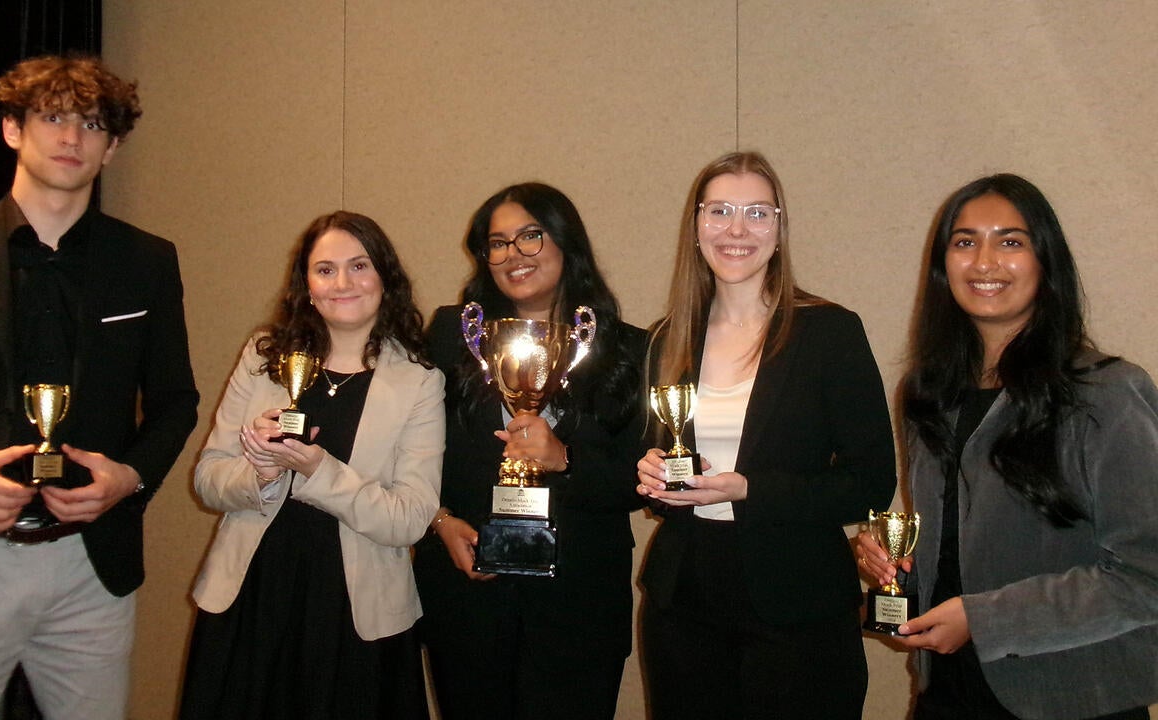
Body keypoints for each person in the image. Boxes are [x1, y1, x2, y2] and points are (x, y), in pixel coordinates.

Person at [0, 55, 199, 718]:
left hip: (90, 567)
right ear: (13, 130)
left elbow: (176, 403)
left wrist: (129, 478)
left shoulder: (147, 260)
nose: (70, 137)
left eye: (90, 124)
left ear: (112, 147)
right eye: (52, 117)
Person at [855, 174, 1158, 720]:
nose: (984, 261)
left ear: (1047, 261)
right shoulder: (927, 392)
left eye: (1011, 241)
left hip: (1071, 698)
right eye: (965, 241)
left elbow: (1146, 574)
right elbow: (959, 546)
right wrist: (903, 569)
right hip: (945, 693)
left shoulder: (1107, 392)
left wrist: (984, 619)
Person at [635, 150, 897, 719]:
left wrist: (749, 489)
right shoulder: (667, 338)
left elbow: (870, 483)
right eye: (720, 210)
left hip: (798, 602)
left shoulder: (829, 332)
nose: (736, 229)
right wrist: (652, 471)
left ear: (779, 230)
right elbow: (661, 450)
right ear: (697, 226)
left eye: (757, 212)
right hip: (685, 601)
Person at [180, 211, 444, 719]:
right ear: (306, 284)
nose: (342, 283)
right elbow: (208, 478)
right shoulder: (264, 356)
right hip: (254, 597)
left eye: (359, 266)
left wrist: (320, 470)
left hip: (357, 611)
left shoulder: (419, 380)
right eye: (325, 269)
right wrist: (260, 471)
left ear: (384, 278)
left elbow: (411, 517)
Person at [414, 182, 647, 719]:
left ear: (567, 244)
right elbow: (411, 452)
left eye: (530, 236)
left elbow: (638, 482)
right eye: (496, 243)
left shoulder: (630, 349)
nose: (512, 254)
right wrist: (441, 520)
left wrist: (565, 459)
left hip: (579, 604)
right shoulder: (454, 334)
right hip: (467, 592)